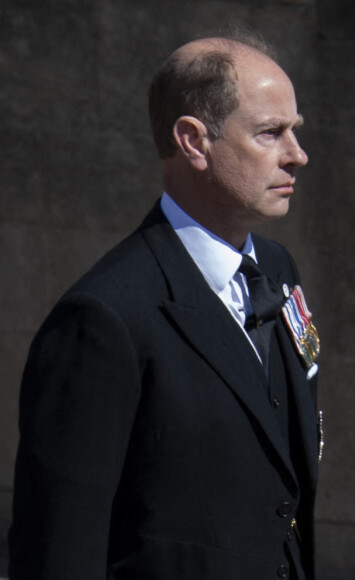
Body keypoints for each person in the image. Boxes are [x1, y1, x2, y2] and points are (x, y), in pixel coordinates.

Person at [9, 33, 321, 580]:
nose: (297, 155)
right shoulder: (105, 319)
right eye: (271, 133)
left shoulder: (276, 270)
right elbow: (59, 547)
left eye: (294, 130)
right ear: (194, 141)